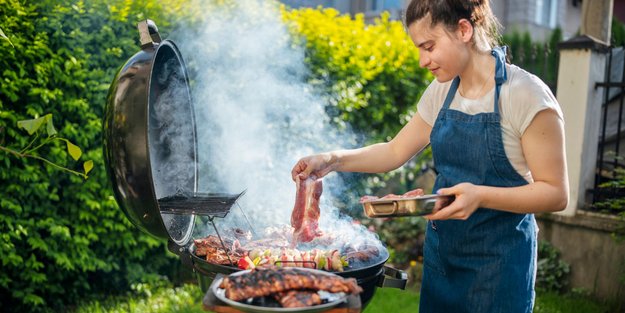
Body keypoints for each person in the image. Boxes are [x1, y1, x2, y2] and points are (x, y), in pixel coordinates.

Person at [290, 0, 569, 312]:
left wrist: (479, 196)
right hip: (443, 258)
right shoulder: (442, 91)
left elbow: (555, 193)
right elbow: (394, 151)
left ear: (464, 29)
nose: (423, 61)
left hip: (499, 266)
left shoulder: (525, 94)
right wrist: (331, 159)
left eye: (429, 46)